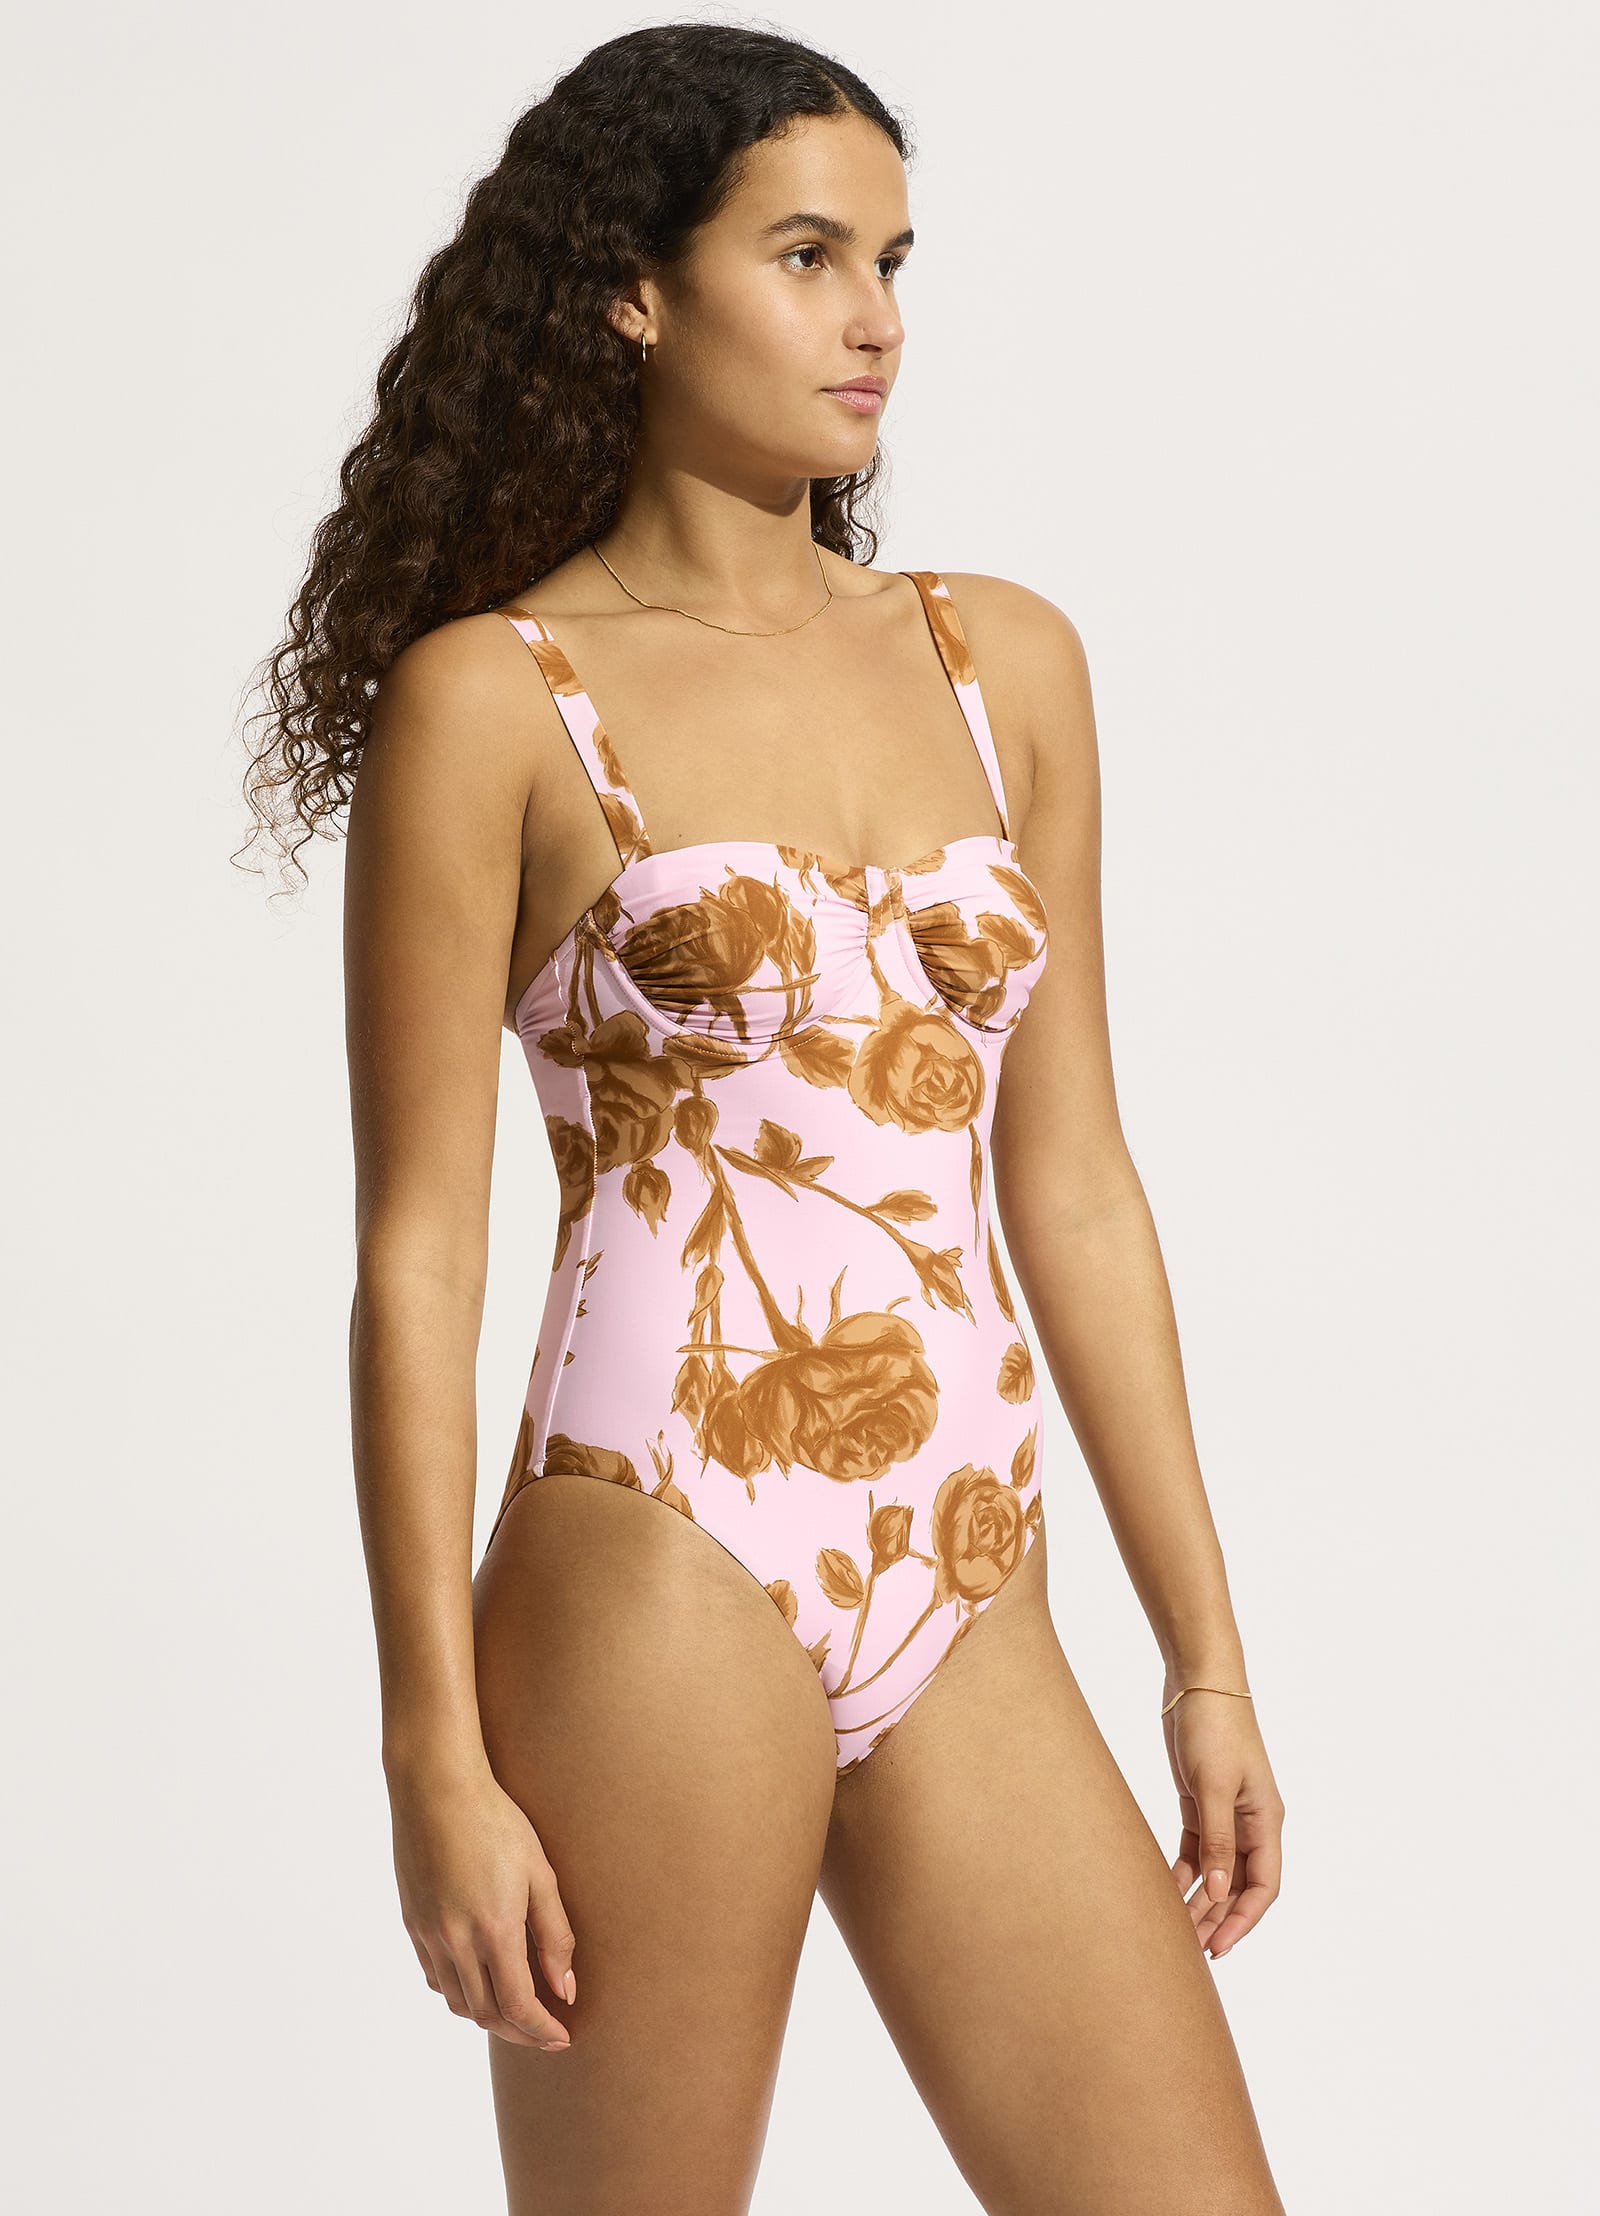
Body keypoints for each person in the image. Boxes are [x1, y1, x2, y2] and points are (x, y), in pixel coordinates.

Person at [242, 22, 1288, 2213]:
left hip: (966, 1561)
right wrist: (431, 1749)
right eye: (806, 256)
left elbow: (1077, 1185)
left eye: (892, 261)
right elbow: (416, 1256)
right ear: (634, 290)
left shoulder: (1002, 665)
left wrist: (1204, 1655)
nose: (871, 318)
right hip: (655, 1554)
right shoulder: (494, 700)